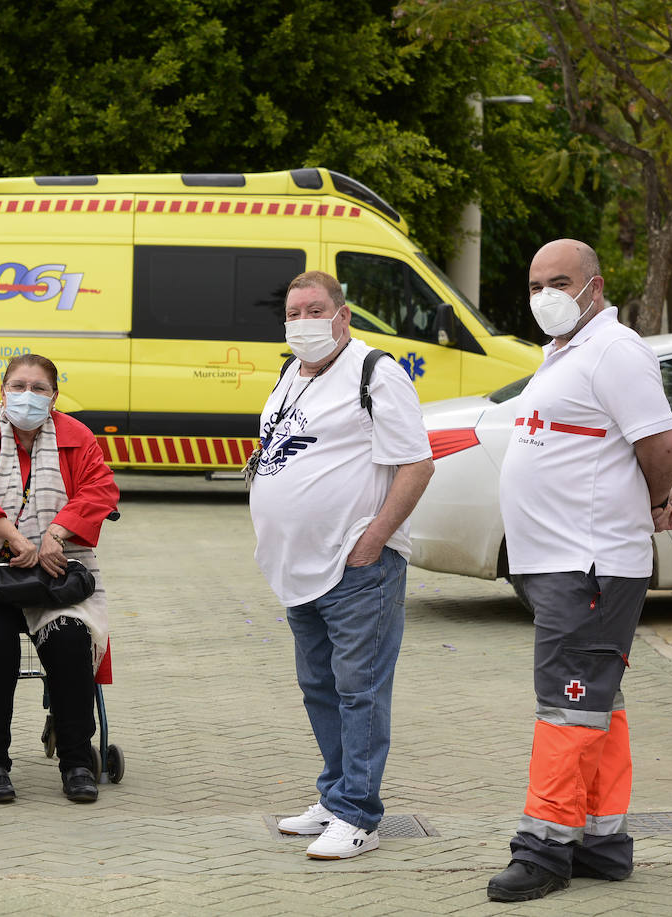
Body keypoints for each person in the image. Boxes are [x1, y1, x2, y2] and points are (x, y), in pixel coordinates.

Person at [487, 239, 672, 902]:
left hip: (590, 563)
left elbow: (661, 441)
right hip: (561, 562)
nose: (545, 294)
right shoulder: (565, 353)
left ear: (595, 285)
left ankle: (544, 846)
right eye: (536, 282)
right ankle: (601, 838)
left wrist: (656, 500)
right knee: (594, 699)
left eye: (559, 281)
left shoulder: (615, 350)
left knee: (566, 704)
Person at [249, 270, 434, 860]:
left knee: (361, 691)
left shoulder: (375, 372)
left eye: (314, 310)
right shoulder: (289, 374)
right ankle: (334, 798)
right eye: (293, 311)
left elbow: (416, 466)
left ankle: (359, 815)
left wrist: (375, 538)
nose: (302, 321)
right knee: (320, 688)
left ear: (343, 315)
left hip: (358, 568)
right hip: (299, 569)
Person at [0, 354, 119, 804]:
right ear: (2, 390)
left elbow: (100, 489)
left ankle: (75, 760)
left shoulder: (76, 436)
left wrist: (56, 532)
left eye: (37, 388)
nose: (26, 396)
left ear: (54, 396)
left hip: (55, 573)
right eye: (17, 386)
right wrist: (12, 535)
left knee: (72, 643)